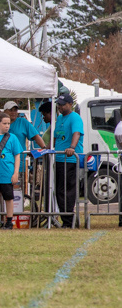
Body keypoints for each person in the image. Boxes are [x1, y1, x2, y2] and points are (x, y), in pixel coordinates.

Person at [53, 93, 83, 228]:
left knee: (68, 191)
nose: (60, 107)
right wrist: (46, 148)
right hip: (59, 159)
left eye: (62, 105)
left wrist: (72, 147)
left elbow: (77, 133)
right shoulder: (59, 118)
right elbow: (56, 137)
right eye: (58, 105)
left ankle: (69, 220)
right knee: (59, 190)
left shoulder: (75, 117)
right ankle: (65, 218)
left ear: (70, 104)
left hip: (70, 160)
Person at [5, 100, 47, 181]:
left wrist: (44, 149)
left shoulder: (23, 122)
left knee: (18, 187)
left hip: (19, 165)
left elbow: (36, 136)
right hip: (3, 164)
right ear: (5, 111)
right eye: (10, 110)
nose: (13, 112)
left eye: (15, 110)